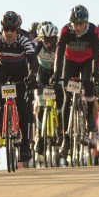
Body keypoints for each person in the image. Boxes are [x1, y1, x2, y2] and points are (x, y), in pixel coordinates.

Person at [0, 11, 38, 162]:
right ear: (2, 28)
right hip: (1, 66)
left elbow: (33, 60)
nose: (9, 33)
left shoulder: (24, 39)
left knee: (22, 105)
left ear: (18, 29)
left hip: (20, 69)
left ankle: (25, 144)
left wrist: (32, 76)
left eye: (12, 29)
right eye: (6, 29)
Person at [55, 5, 99, 156]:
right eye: (75, 24)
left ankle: (89, 118)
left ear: (86, 22)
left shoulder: (93, 30)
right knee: (67, 99)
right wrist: (56, 72)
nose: (78, 27)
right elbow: (59, 52)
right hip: (70, 63)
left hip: (88, 62)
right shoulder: (65, 31)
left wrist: (96, 72)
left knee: (88, 85)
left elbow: (97, 53)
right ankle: (66, 139)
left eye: (81, 23)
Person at [33, 21, 61, 155]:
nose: (48, 42)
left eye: (51, 39)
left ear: (56, 38)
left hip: (57, 73)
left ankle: (61, 132)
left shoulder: (61, 45)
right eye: (45, 39)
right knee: (40, 104)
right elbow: (30, 60)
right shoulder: (37, 45)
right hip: (42, 74)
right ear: (40, 39)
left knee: (62, 102)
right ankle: (39, 136)